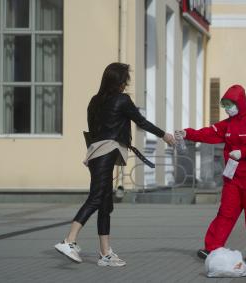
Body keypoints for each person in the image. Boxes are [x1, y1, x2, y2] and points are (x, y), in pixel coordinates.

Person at [55, 63, 175, 266]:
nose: (126, 84)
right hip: (107, 152)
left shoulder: (94, 101)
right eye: (125, 80)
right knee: (95, 199)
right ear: (119, 81)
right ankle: (69, 240)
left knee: (105, 204)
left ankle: (105, 254)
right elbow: (141, 122)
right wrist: (164, 135)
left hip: (94, 153)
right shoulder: (122, 100)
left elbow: (93, 128)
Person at [176, 84, 246, 262]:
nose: (227, 109)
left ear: (240, 103)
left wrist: (243, 153)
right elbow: (208, 134)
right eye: (225, 105)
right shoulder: (225, 125)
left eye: (230, 104)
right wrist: (187, 133)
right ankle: (212, 247)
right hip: (233, 177)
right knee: (226, 212)